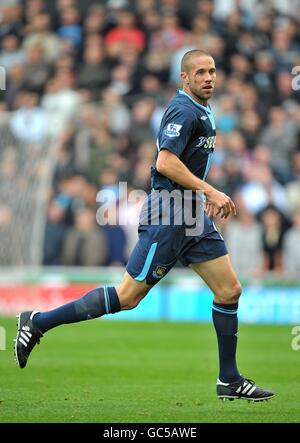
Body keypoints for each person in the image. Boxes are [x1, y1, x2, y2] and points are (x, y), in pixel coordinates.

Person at [14, 49, 274, 402]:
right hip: (169, 213)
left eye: (212, 71)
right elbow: (165, 162)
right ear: (184, 78)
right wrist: (211, 189)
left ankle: (228, 379)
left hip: (191, 213)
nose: (208, 77)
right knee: (127, 297)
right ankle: (37, 321)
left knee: (229, 291)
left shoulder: (202, 109)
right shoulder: (183, 110)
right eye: (200, 72)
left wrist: (200, 196)